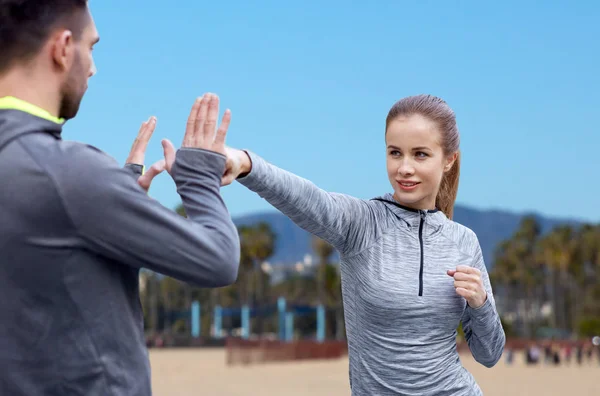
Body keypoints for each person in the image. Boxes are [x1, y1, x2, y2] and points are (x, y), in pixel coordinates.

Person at [0, 1, 240, 395]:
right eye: (91, 47)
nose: (93, 67)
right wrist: (198, 178)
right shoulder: (68, 173)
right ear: (62, 49)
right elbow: (218, 260)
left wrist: (114, 205)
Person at [222, 94, 506, 395]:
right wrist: (246, 164)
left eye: (420, 154)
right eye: (395, 153)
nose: (404, 168)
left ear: (448, 160)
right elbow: (309, 200)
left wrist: (481, 303)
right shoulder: (362, 224)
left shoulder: (464, 241)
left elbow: (489, 355)